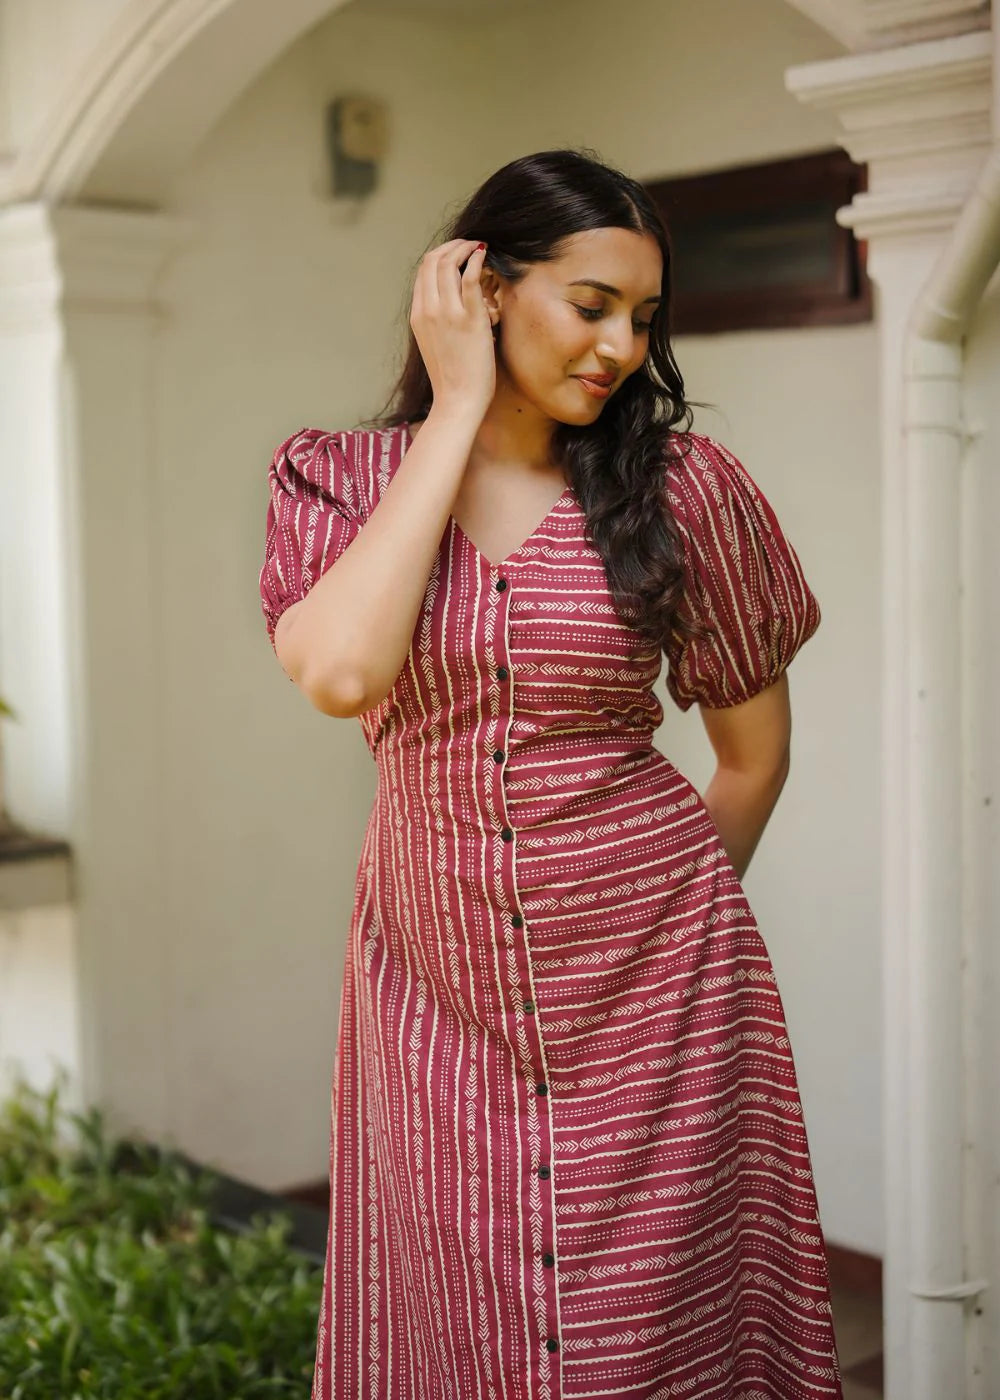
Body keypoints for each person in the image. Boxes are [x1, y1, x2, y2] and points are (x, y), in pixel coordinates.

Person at [259, 147, 843, 1400]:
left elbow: (753, 755)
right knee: (451, 1320)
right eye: (590, 306)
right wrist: (458, 412)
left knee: (651, 1335)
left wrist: (658, 943)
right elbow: (344, 673)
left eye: (644, 318)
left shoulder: (688, 491)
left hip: (657, 989)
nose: (623, 347)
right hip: (432, 990)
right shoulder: (338, 478)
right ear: (479, 287)